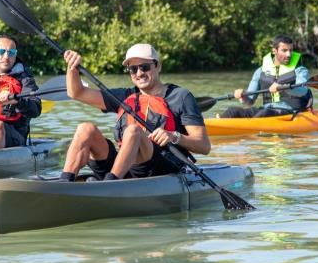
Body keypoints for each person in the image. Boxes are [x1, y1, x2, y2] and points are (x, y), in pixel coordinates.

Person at [58, 43, 210, 182]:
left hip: (159, 167)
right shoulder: (125, 96)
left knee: (133, 131)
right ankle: (64, 182)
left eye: (145, 67)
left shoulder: (181, 97)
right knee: (85, 129)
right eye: (133, 69)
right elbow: (77, 93)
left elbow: (204, 146)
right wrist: (72, 67)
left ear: (158, 66)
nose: (139, 73)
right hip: (126, 166)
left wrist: (173, 136)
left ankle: (111, 184)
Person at [220, 34, 312, 118]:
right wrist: (242, 96)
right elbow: (250, 102)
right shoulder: (260, 71)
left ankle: (250, 132)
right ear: (274, 51)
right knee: (231, 112)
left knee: (264, 114)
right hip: (266, 109)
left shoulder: (300, 70)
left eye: (290, 50)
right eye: (284, 50)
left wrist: (283, 87)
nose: (289, 54)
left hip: (290, 111)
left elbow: (302, 91)